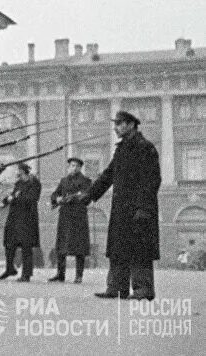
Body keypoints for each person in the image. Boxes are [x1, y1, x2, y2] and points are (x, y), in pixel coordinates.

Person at [85, 110, 161, 300]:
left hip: (139, 208)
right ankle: (117, 288)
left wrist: (144, 208)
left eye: (119, 124)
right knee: (119, 246)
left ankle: (143, 289)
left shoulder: (145, 147)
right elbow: (108, 175)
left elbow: (152, 180)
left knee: (140, 248)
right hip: (121, 207)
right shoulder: (122, 149)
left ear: (130, 125)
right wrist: (89, 195)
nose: (115, 128)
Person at [46, 156, 92, 283]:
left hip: (78, 217)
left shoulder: (86, 181)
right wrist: (57, 199)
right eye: (72, 165)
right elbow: (55, 194)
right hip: (65, 216)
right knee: (61, 246)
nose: (74, 168)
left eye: (77, 166)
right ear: (68, 167)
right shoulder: (64, 181)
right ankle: (60, 274)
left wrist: (75, 198)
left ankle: (79, 275)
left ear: (80, 168)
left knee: (80, 247)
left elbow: (87, 197)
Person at [0, 162, 41, 282]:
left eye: (18, 170)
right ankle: (9, 268)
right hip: (14, 217)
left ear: (23, 171)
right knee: (9, 243)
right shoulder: (18, 183)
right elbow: (12, 196)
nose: (17, 173)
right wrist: (6, 200)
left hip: (27, 219)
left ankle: (26, 274)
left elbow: (32, 198)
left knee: (26, 246)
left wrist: (15, 198)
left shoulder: (34, 183)